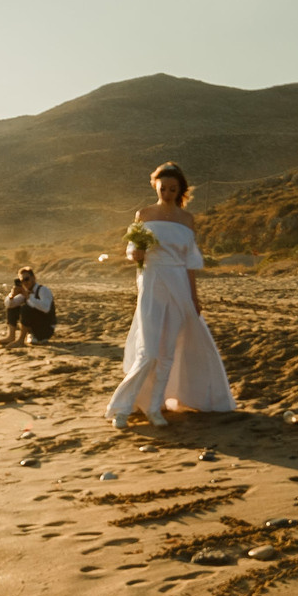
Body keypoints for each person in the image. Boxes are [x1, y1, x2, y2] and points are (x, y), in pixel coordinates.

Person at [107, 162, 235, 428]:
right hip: (152, 281)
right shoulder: (144, 214)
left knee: (167, 353)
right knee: (149, 351)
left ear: (180, 190)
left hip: (179, 284)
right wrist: (136, 254)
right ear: (155, 186)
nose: (166, 193)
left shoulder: (187, 219)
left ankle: (155, 407)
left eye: (172, 189)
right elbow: (134, 250)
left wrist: (194, 298)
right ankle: (123, 407)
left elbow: (190, 263)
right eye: (162, 188)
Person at [3, 266, 56, 346]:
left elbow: (46, 308)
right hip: (34, 328)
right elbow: (9, 305)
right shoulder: (27, 291)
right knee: (12, 307)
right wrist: (12, 295)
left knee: (26, 308)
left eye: (26, 279)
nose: (25, 282)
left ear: (33, 278)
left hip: (46, 329)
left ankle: (21, 340)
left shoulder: (43, 290)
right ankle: (11, 336)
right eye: (22, 281)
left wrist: (28, 297)